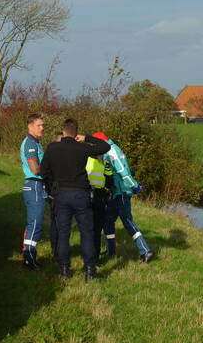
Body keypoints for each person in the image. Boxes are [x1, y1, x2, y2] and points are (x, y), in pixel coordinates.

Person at [40, 119, 110, 280]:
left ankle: (64, 269)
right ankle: (90, 271)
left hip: (61, 194)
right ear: (75, 132)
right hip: (81, 194)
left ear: (63, 131)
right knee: (86, 233)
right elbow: (105, 146)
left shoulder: (52, 148)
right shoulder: (82, 148)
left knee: (63, 233)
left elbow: (44, 172)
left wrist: (52, 189)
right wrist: (87, 138)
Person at [94, 132, 154, 263]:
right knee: (107, 220)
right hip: (115, 193)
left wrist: (134, 186)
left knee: (127, 221)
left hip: (122, 192)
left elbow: (123, 172)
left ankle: (146, 250)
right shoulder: (109, 150)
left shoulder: (111, 151)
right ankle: (111, 251)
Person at [19, 114, 47, 270]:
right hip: (34, 185)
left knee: (34, 223)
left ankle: (29, 255)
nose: (42, 128)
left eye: (43, 125)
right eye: (39, 125)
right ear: (30, 127)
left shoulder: (36, 142)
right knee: (35, 223)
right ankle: (29, 258)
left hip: (36, 185)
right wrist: (50, 166)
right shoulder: (30, 143)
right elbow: (35, 169)